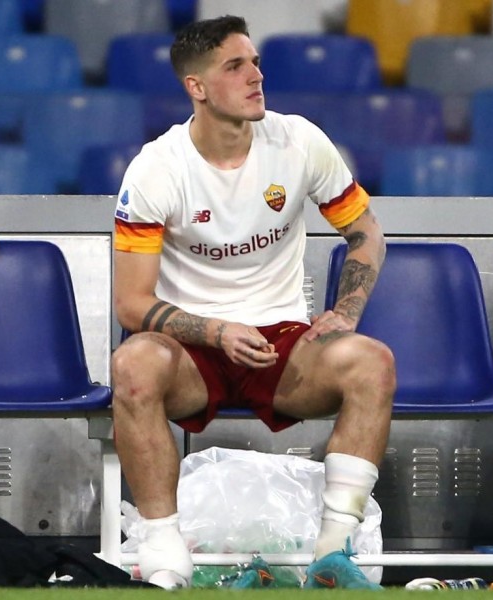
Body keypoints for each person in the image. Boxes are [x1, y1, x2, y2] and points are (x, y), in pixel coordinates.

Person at [111, 15, 395, 590]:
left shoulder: (299, 141)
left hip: (283, 343)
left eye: (256, 62)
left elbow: (367, 234)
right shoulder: (156, 169)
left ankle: (332, 556)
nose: (255, 76)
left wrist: (347, 312)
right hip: (192, 349)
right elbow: (130, 303)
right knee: (132, 366)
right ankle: (165, 556)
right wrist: (215, 332)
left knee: (373, 362)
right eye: (235, 66)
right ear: (197, 87)